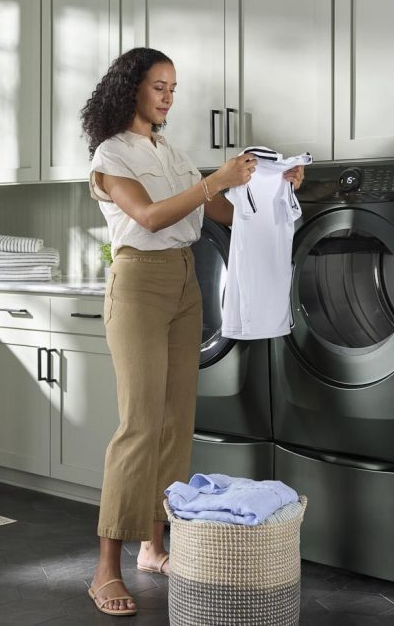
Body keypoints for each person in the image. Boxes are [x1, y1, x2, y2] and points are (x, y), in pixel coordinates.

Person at [79, 47, 305, 617]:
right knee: (139, 425)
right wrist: (217, 180)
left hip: (184, 284)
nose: (168, 97)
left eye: (173, 88)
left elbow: (225, 214)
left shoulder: (171, 153)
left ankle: (153, 546)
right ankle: (105, 568)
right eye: (159, 86)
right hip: (138, 285)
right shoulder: (111, 154)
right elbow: (150, 217)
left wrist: (276, 184)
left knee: (177, 422)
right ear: (131, 87)